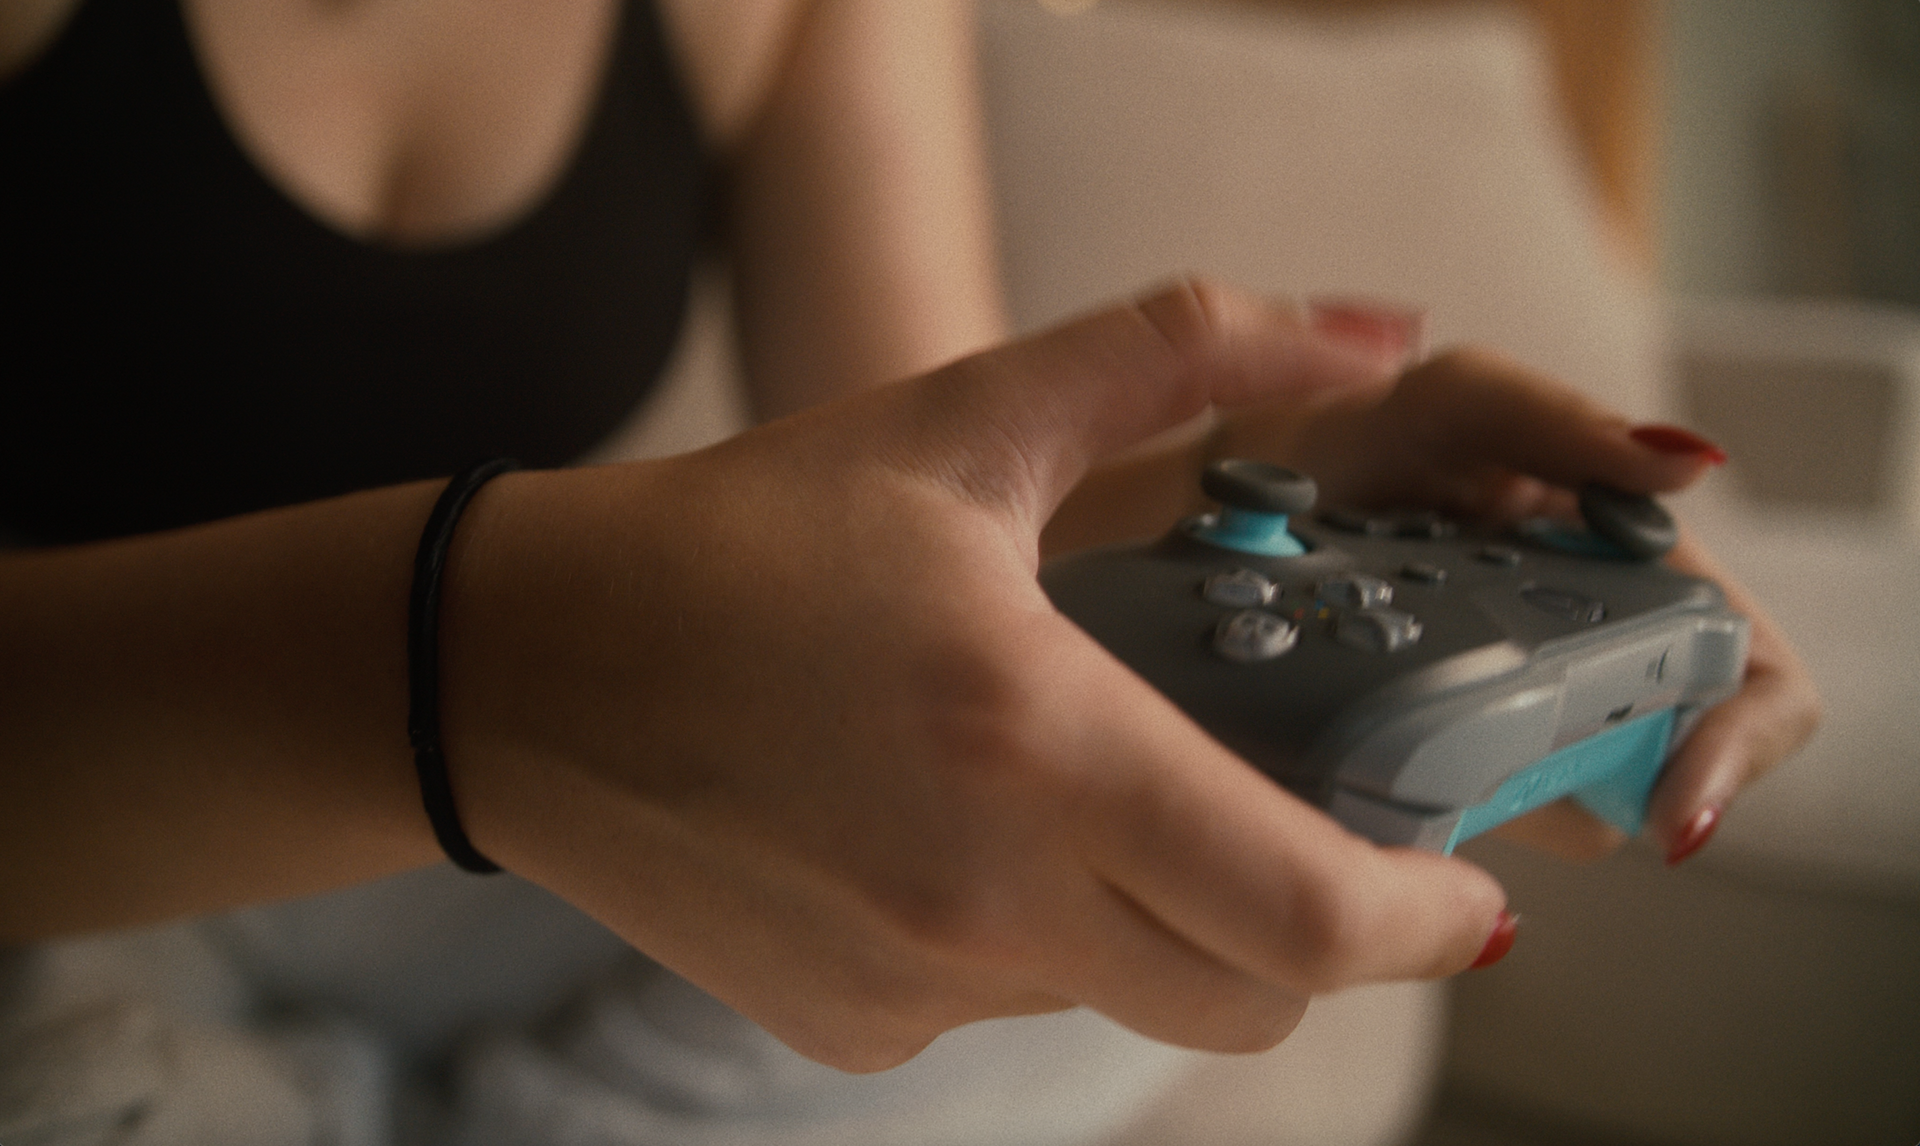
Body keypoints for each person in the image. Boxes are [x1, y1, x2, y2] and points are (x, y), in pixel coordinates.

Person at [0, 0, 1819, 1137]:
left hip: (516, 818)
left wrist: (1256, 520)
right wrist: (475, 662)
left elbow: (937, 551)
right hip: (86, 820)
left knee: (1148, 869)